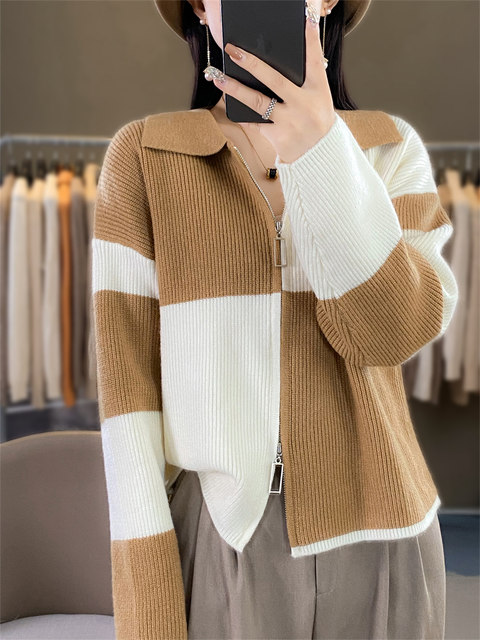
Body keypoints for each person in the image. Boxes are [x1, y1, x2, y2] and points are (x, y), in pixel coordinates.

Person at [91, 0, 458, 638]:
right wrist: (148, 610)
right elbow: (127, 406)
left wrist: (321, 151)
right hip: (223, 539)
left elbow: (387, 333)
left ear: (327, 3)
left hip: (384, 538)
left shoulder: (388, 148)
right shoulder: (146, 157)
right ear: (201, 6)